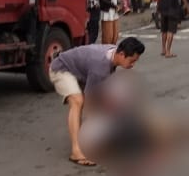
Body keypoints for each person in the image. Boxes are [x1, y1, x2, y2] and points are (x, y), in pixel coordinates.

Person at [49, 37, 146, 167]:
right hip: (61, 69)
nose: (133, 64)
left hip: (81, 72)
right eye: (132, 61)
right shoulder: (99, 68)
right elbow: (91, 102)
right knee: (78, 101)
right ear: (122, 54)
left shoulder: (113, 53)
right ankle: (76, 151)